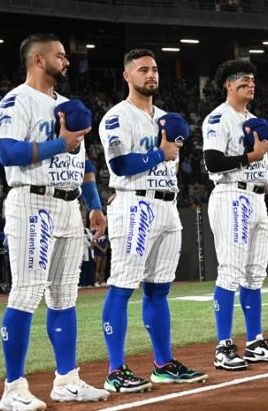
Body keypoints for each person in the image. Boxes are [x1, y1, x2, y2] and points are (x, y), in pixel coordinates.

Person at [0, 33, 109, 410]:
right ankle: (13, 389)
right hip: (32, 203)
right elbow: (7, 152)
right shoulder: (17, 100)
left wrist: (93, 205)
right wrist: (60, 142)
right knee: (26, 293)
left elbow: (85, 163)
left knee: (64, 297)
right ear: (38, 61)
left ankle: (66, 381)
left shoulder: (68, 105)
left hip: (68, 205)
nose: (67, 61)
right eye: (60, 55)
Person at [99, 48, 206, 392]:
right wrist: (161, 151)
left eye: (155, 69)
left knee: (159, 290)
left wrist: (167, 153)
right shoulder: (117, 117)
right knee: (123, 286)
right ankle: (116, 370)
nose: (151, 75)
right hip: (135, 206)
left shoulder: (166, 117)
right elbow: (120, 165)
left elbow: (170, 165)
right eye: (143, 69)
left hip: (167, 206)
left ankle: (163, 364)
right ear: (127, 75)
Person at [203, 59, 268, 371]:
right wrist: (251, 154)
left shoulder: (255, 119)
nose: (250, 83)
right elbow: (212, 161)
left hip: (255, 198)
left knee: (255, 274)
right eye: (242, 79)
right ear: (227, 84)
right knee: (230, 272)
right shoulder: (219, 118)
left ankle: (255, 342)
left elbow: (262, 171)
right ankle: (223, 346)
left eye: (252, 79)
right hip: (231, 195)